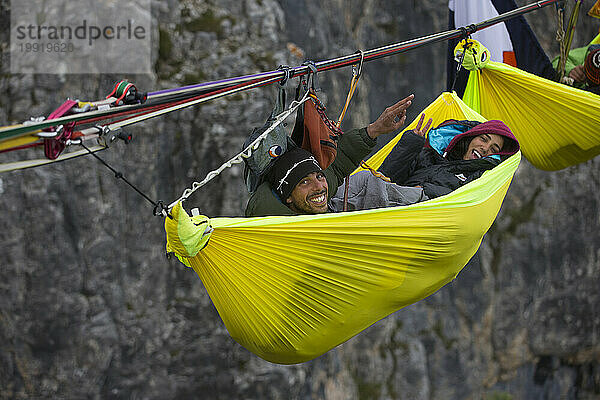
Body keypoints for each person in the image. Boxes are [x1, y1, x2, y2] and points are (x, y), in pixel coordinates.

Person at [245, 94, 415, 216]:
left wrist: (376, 129)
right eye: (304, 182)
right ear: (288, 196)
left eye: (319, 176)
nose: (318, 186)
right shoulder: (276, 232)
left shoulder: (316, 192)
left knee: (367, 182)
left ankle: (430, 201)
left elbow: (340, 161)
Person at [376, 114, 520, 201]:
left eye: (493, 149)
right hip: (387, 197)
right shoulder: (430, 155)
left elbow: (463, 201)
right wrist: (412, 143)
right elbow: (387, 174)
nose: (485, 148)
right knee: (364, 179)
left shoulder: (478, 178)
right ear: (470, 138)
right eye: (483, 139)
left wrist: (425, 189)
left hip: (410, 213)